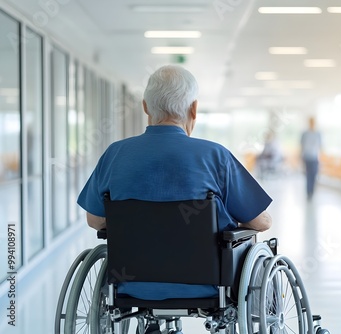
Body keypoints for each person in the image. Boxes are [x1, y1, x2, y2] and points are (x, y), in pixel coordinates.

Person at [77, 65, 272, 303]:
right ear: (194, 109)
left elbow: (94, 220)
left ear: (146, 107)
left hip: (132, 284)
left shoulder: (115, 154)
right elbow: (258, 222)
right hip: (209, 286)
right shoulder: (215, 156)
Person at [300, 117, 322, 200]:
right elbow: (301, 145)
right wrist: (301, 156)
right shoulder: (305, 134)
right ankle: (309, 193)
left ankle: (312, 191)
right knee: (308, 176)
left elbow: (320, 145)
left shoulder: (318, 134)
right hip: (307, 157)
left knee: (314, 175)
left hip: (314, 157)